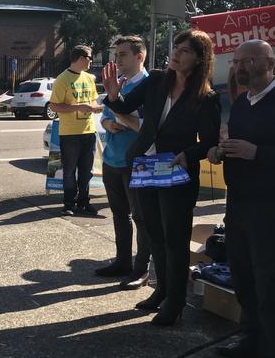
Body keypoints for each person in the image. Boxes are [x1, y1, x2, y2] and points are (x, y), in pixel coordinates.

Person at [102, 29, 220, 326]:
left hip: (176, 173)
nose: (176, 54)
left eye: (185, 50)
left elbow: (208, 141)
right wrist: (114, 96)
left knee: (175, 240)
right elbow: (125, 107)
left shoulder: (206, 97)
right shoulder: (156, 79)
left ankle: (176, 302)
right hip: (144, 167)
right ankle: (161, 291)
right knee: (154, 234)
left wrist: (187, 154)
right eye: (176, 47)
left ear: (199, 59)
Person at [207, 40, 275, 358]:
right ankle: (252, 339)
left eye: (247, 61)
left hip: (268, 208)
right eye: (236, 62)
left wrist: (257, 153)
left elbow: (255, 150)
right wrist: (219, 152)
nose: (239, 67)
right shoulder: (241, 103)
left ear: (268, 63)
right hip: (238, 206)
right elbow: (236, 145)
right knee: (243, 276)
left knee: (268, 283)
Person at [96, 36, 151, 291]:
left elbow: (146, 128)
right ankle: (122, 261)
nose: (117, 60)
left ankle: (142, 269)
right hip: (112, 159)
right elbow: (105, 118)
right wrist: (109, 123)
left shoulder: (150, 86)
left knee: (141, 217)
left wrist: (120, 114)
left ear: (140, 56)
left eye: (123, 55)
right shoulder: (117, 83)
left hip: (137, 162)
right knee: (120, 215)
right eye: (116, 55)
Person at [49, 45, 103, 216]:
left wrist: (95, 107)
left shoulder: (89, 78)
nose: (91, 61)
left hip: (89, 131)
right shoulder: (62, 79)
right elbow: (54, 105)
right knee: (70, 171)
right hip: (70, 133)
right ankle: (68, 204)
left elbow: (93, 100)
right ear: (80, 58)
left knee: (87, 171)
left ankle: (84, 202)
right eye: (89, 57)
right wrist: (79, 107)